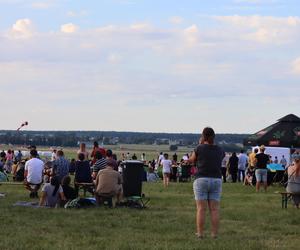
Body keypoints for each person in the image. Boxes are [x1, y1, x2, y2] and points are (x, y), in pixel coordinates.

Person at [189, 127, 224, 239]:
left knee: (201, 209)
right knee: (214, 209)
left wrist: (200, 144)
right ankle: (214, 234)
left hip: (201, 179)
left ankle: (200, 234)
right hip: (216, 179)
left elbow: (191, 160)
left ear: (203, 136)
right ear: (214, 136)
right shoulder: (220, 149)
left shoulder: (199, 148)